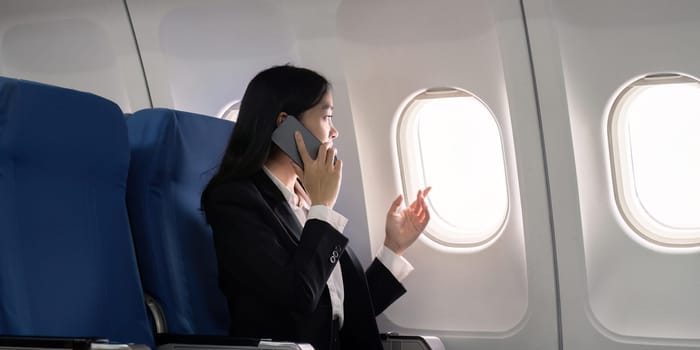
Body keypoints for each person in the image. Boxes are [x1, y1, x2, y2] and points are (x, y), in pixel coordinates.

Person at [201, 65, 430, 350]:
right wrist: (322, 208)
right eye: (326, 116)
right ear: (286, 125)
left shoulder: (304, 198)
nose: (334, 131)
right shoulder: (235, 201)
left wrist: (393, 248)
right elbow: (299, 297)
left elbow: (340, 307)